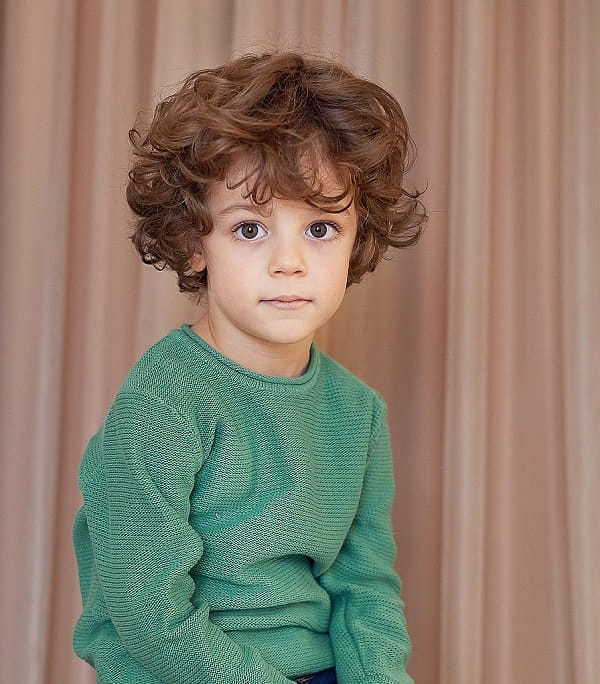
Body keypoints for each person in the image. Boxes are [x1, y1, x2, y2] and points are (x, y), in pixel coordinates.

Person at [71, 48, 427, 684]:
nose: (289, 262)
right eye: (250, 229)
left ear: (356, 242)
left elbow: (366, 592)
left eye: (320, 230)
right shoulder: (163, 401)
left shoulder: (357, 412)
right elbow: (146, 611)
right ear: (192, 241)